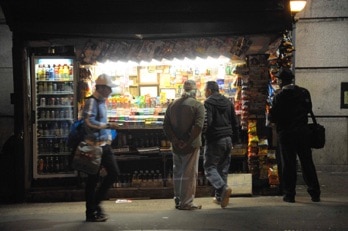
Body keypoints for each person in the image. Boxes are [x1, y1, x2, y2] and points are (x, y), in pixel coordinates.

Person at [269, 69, 321, 203]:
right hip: (303, 132)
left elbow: (273, 117)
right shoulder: (304, 92)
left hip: (286, 134)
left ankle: (289, 194)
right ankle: (315, 192)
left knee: (289, 164)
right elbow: (308, 108)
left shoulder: (279, 96)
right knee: (307, 162)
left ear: (281, 81)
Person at [83, 74, 120, 222]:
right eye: (109, 88)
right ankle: (91, 212)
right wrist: (108, 126)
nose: (111, 91)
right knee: (92, 180)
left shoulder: (102, 102)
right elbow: (88, 121)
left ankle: (95, 204)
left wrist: (109, 137)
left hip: (103, 145)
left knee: (114, 173)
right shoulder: (92, 102)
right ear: (103, 88)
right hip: (93, 146)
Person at [163, 80, 205, 210]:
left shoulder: (172, 105)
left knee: (178, 172)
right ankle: (186, 202)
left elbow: (166, 126)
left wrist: (175, 140)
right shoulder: (198, 105)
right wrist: (188, 141)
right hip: (191, 145)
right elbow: (198, 126)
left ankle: (178, 199)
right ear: (195, 91)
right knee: (189, 173)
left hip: (176, 146)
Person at [202, 81, 239, 208]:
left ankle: (223, 188)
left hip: (215, 139)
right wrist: (235, 140)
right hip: (228, 138)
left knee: (209, 167)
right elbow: (235, 122)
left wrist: (203, 135)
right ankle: (220, 198)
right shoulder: (228, 102)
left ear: (209, 91)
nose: (204, 93)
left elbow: (208, 122)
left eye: (204, 90)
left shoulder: (208, 103)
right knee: (222, 168)